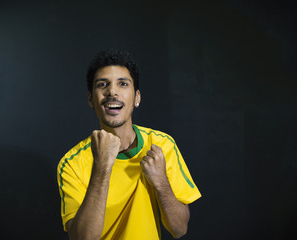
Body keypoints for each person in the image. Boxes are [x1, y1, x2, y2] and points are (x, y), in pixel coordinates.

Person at [57, 49, 201, 239]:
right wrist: (101, 167)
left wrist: (161, 183)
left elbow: (179, 229)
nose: (112, 91)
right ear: (91, 99)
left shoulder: (162, 145)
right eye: (102, 84)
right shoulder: (71, 163)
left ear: (137, 98)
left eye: (123, 84)